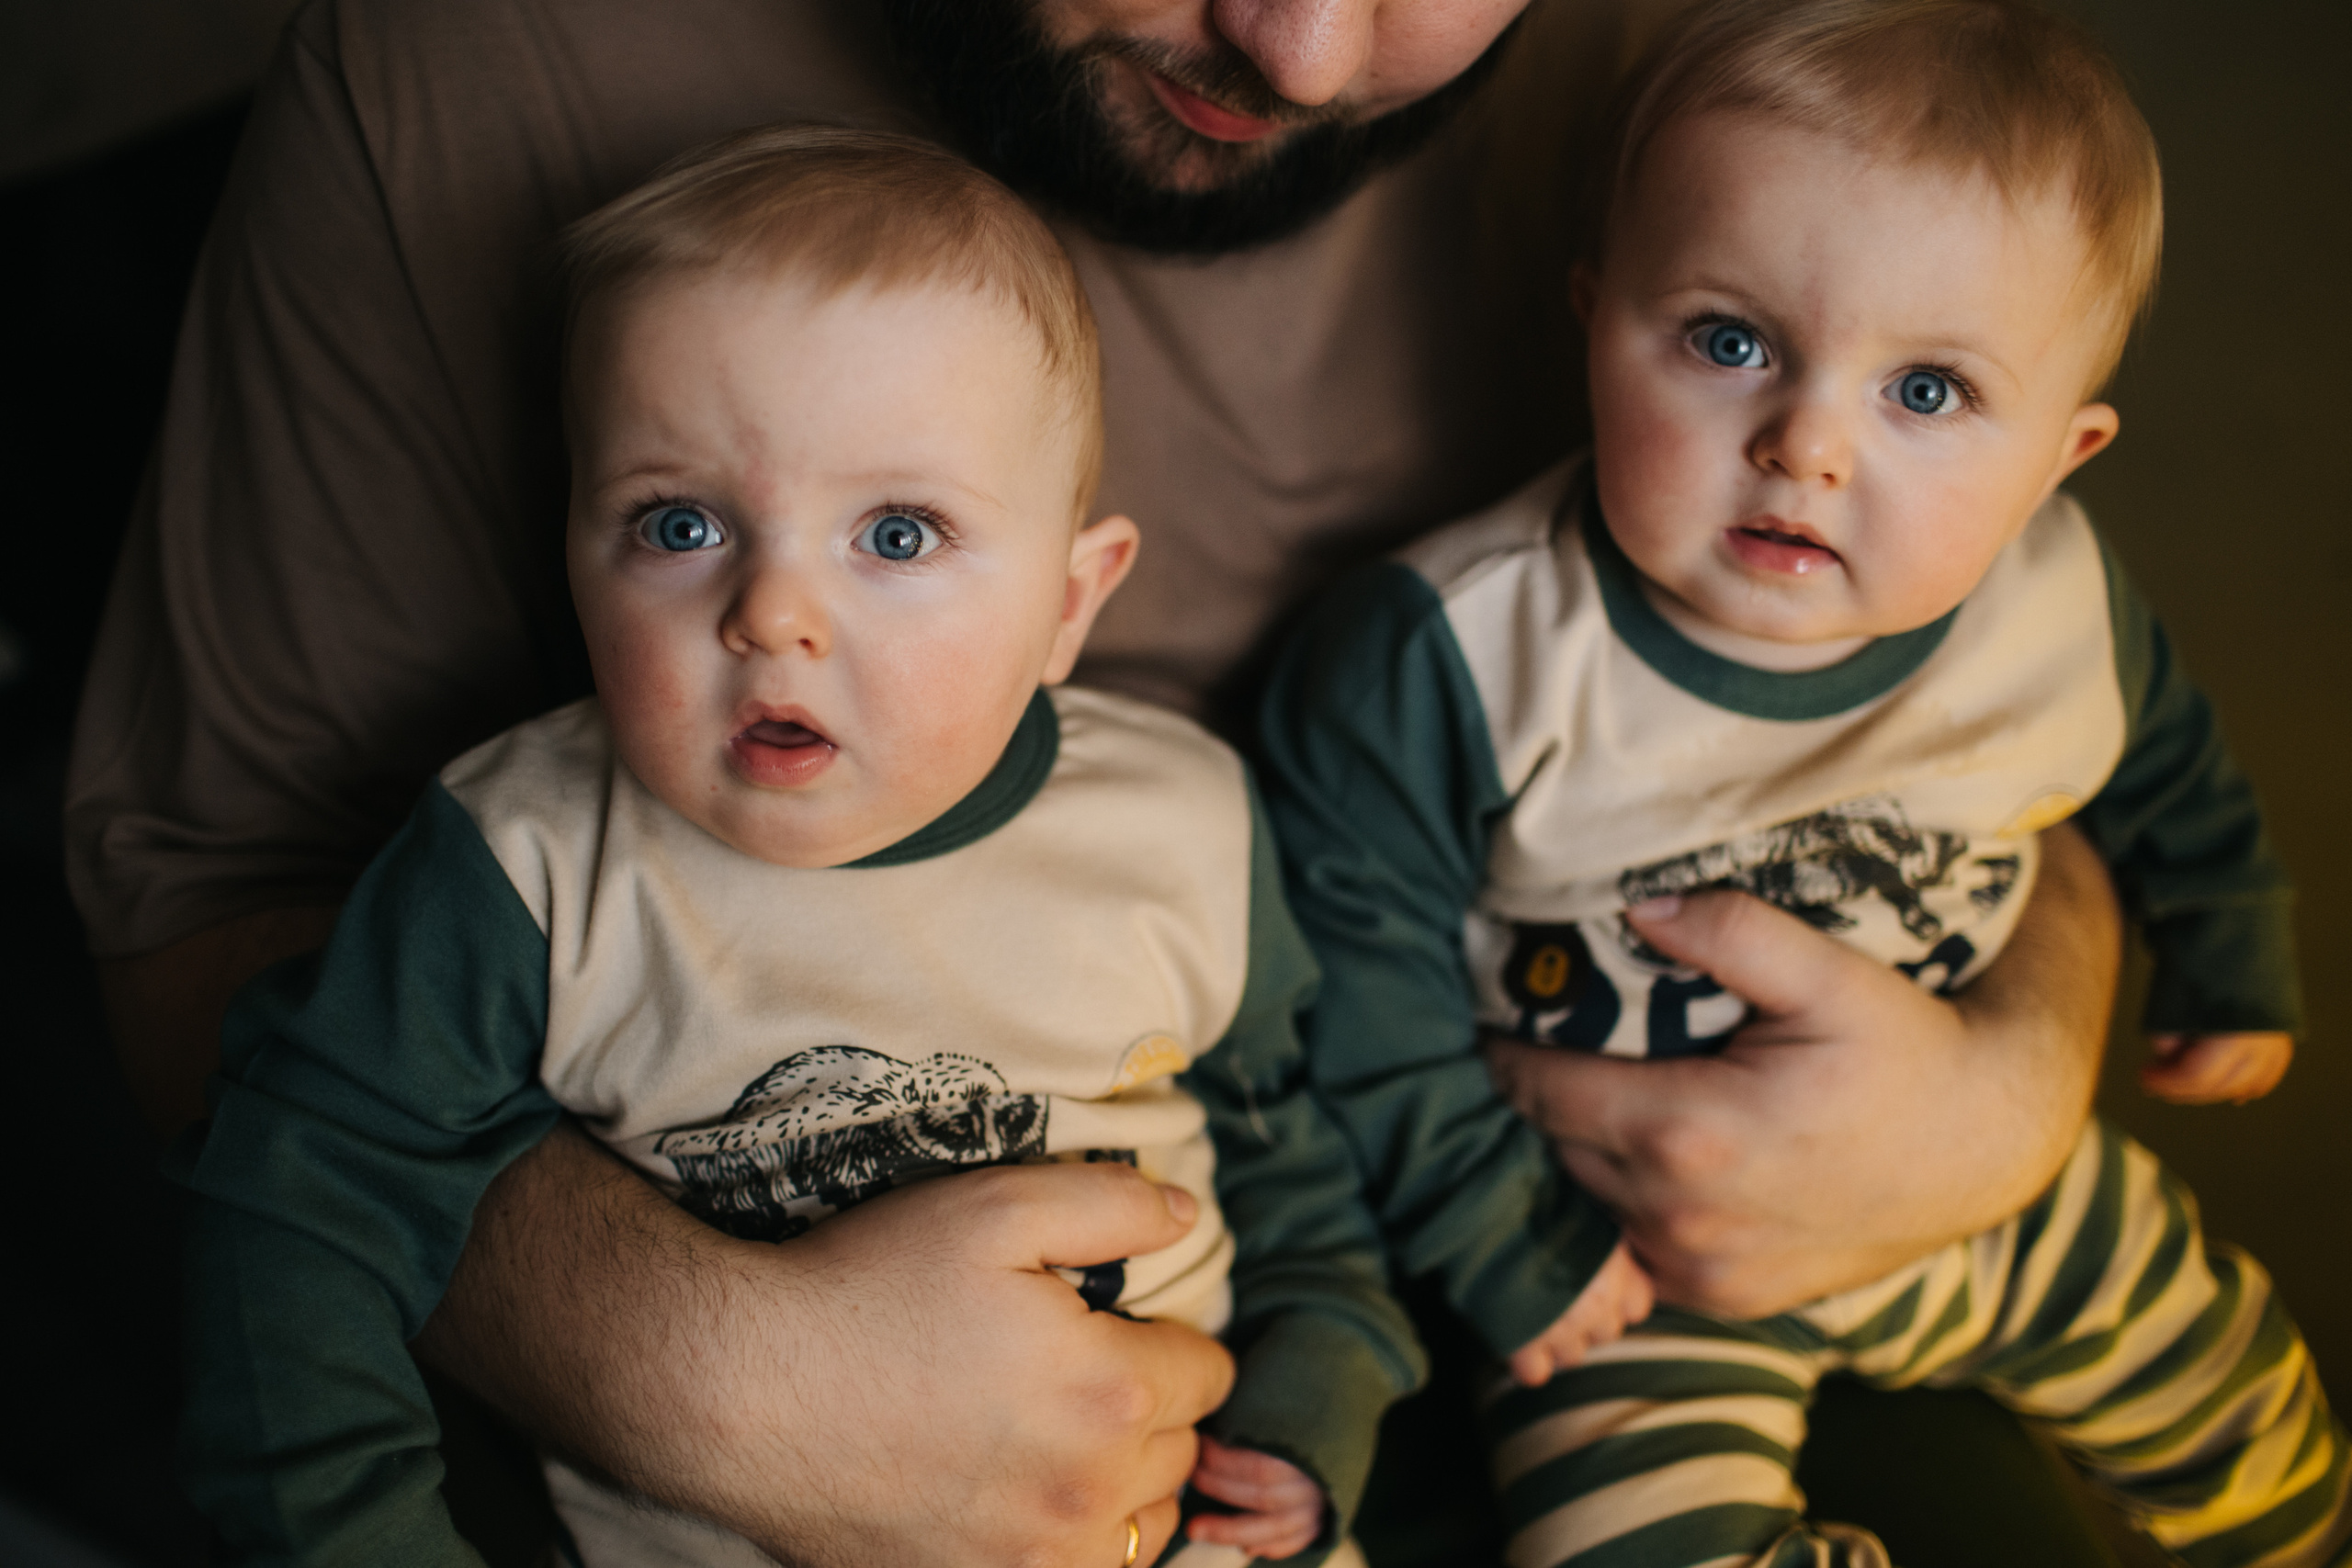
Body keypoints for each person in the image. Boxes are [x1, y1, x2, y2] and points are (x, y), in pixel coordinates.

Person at [70, 0, 2124, 1560]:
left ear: (1079, 598)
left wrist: (2024, 1062)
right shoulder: (476, 74)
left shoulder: (1748, 87)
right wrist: (688, 1352)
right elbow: (223, 937)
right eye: (678, 525)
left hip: (1468, 1317)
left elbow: (1989, 657)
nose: (1310, 51)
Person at [172, 126, 1422, 1568]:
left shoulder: (1181, 818)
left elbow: (1286, 1152)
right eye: (681, 522)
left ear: (1071, 604)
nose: (772, 615)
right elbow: (296, 1207)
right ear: (569, 553)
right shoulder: (525, 862)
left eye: (897, 535)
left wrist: (1317, 1396)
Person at [1255, 1, 2350, 1562]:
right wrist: (1511, 1242)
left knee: (2252, 1419)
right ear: (1594, 317)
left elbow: (2165, 762)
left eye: (1929, 392)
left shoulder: (2055, 605)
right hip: (1633, 1257)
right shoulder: (1455, 651)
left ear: (2062, 458)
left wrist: (2227, 942)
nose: (1807, 443)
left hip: (2016, 1204)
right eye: (1728, 341)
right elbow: (1348, 981)